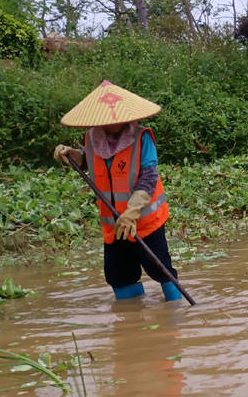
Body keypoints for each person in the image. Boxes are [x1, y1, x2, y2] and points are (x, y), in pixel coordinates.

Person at [53, 80, 181, 302]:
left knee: (162, 270)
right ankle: (130, 319)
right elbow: (90, 161)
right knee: (119, 276)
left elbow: (149, 176)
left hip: (143, 220)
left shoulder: (142, 138)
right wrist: (73, 155)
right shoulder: (92, 138)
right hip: (113, 224)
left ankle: (176, 313)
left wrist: (132, 211)